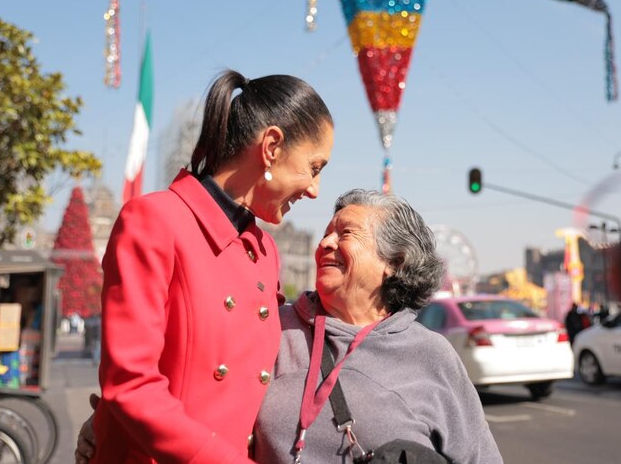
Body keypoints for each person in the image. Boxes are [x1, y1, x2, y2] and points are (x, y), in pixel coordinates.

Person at [79, 189, 502, 463]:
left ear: (395, 263)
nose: (326, 244)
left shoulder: (430, 355)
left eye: (346, 233)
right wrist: (105, 429)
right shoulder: (269, 329)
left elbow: (481, 457)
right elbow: (178, 386)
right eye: (326, 232)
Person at [89, 69, 334, 463]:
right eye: (315, 167)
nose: (314, 189)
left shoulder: (264, 249)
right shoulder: (155, 220)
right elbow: (131, 383)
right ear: (271, 146)